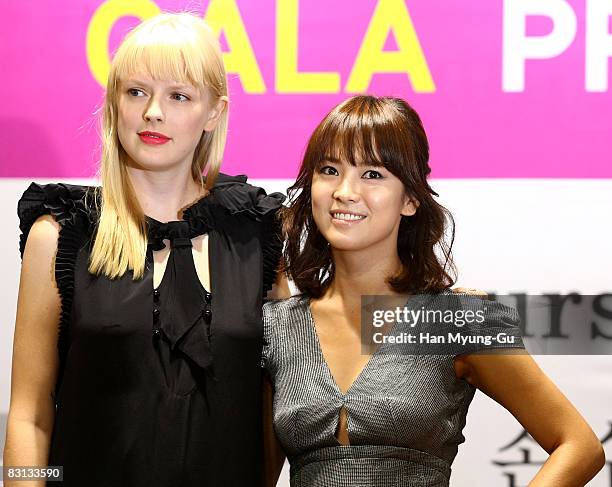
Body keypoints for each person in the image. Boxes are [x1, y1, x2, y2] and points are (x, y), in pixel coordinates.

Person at [262, 95, 605, 486]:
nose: (344, 191)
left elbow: (579, 446)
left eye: (372, 174)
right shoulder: (277, 328)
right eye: (329, 170)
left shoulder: (454, 319)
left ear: (410, 199)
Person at [4, 13, 286, 487]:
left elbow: (274, 412)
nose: (153, 112)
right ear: (114, 102)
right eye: (136, 92)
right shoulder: (60, 235)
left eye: (179, 95)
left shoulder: (256, 235)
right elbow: (29, 418)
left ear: (214, 112)